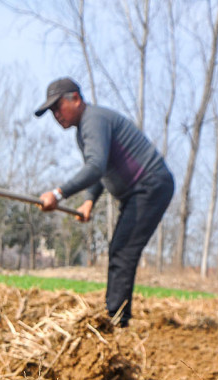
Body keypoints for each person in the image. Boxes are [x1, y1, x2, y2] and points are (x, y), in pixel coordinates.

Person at [36, 77, 174, 328]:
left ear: (75, 99)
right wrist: (89, 200)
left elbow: (95, 166)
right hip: (138, 192)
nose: (56, 115)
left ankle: (116, 320)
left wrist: (57, 194)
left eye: (58, 107)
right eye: (51, 111)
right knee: (120, 249)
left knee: (122, 250)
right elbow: (100, 169)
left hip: (150, 185)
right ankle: (116, 316)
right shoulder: (85, 129)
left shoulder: (94, 121)